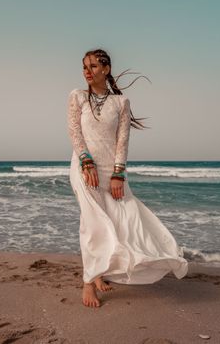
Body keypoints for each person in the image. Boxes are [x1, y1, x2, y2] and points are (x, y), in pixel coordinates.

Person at [67, 48, 188, 308]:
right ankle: (89, 281)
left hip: (112, 169)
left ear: (106, 69)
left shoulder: (121, 103)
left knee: (124, 220)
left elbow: (122, 141)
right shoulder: (77, 97)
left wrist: (118, 174)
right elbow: (75, 133)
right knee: (93, 223)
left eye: (93, 67)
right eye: (84, 67)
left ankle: (100, 273)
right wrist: (86, 161)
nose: (87, 71)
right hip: (83, 167)